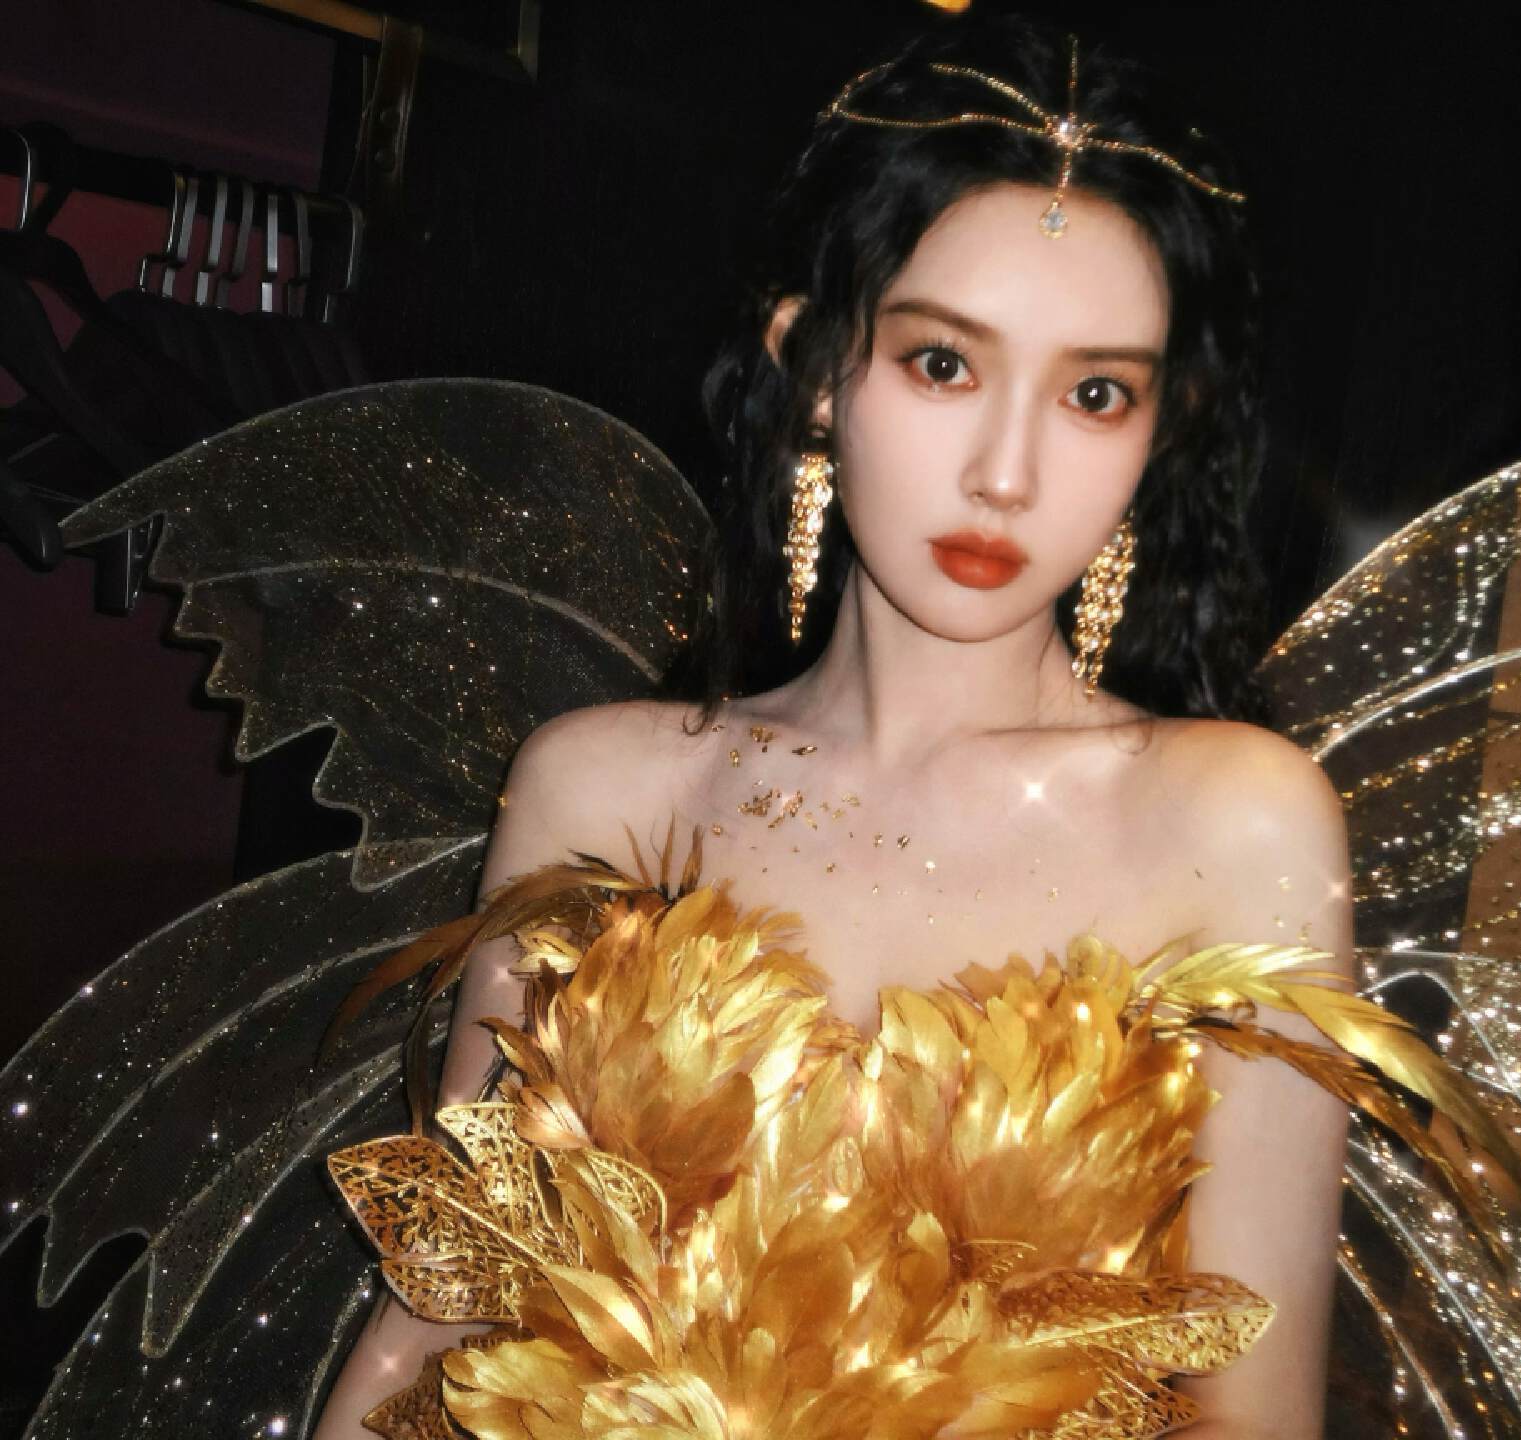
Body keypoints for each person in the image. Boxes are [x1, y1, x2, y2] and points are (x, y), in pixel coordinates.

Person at [313, 17, 1356, 1439]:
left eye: (1094, 393)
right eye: (943, 365)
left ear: (1157, 434)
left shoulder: (1231, 821)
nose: (1007, 473)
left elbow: (1255, 1413)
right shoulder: (601, 786)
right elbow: (438, 1317)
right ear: (811, 366)